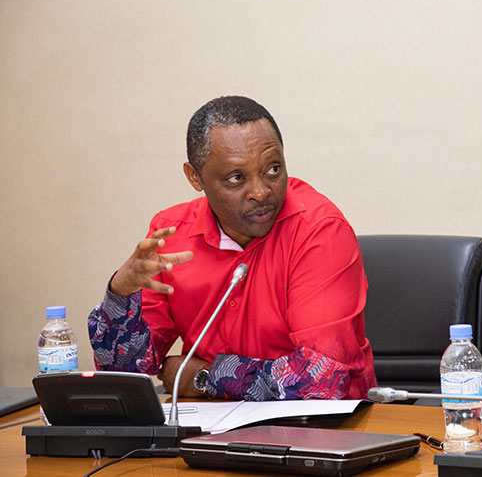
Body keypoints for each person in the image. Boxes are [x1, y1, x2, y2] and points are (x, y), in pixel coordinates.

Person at [88, 96, 376, 400]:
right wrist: (120, 294)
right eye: (236, 178)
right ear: (194, 177)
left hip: (322, 432)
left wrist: (203, 377)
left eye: (273, 169)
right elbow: (126, 373)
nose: (261, 191)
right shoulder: (172, 235)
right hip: (209, 429)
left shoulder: (320, 230)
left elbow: (321, 382)